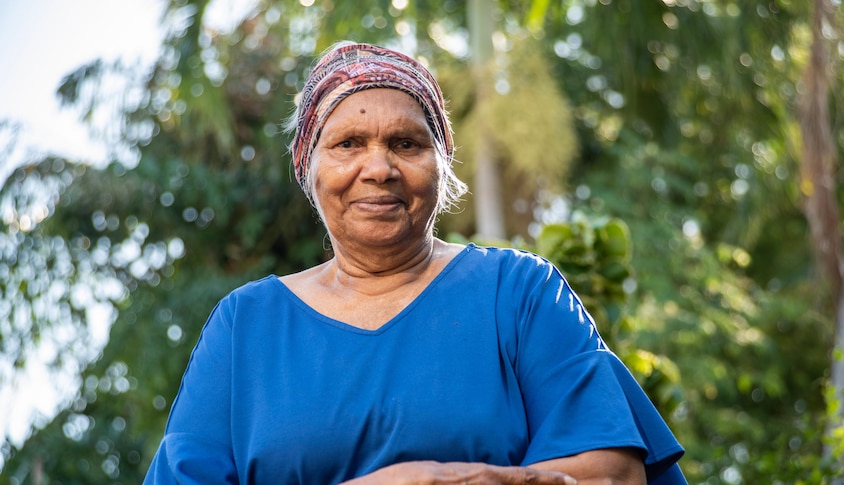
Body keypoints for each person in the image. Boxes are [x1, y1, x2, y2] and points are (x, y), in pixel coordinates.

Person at [143, 41, 687, 485]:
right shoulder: (247, 326)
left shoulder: (518, 292)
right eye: (348, 143)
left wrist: (439, 479)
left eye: (406, 143)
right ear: (308, 167)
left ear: (441, 165)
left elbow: (609, 475)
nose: (378, 168)